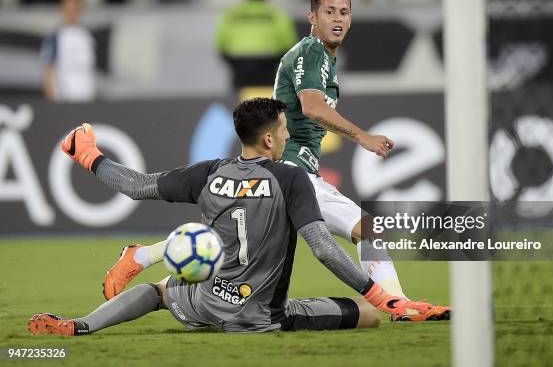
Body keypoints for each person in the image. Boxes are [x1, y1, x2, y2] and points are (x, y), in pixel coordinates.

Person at [28, 99, 449, 336]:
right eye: (284, 131)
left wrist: (88, 155)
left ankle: (80, 325)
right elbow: (322, 248)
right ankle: (389, 305)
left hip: (204, 301)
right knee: (368, 315)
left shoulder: (208, 173)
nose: (287, 136)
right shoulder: (291, 179)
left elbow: (137, 186)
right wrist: (383, 297)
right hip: (260, 317)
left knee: (160, 292)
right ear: (269, 138)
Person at [106, 0, 412, 309]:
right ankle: (400, 304)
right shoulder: (313, 53)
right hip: (294, 171)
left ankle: (142, 255)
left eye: (344, 12)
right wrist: (363, 137)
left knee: (232, 248)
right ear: (312, 16)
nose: (337, 19)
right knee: (368, 230)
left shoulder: (316, 55)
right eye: (329, 11)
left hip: (278, 168)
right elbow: (312, 107)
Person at [216, 0, 298, 95]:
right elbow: (290, 45)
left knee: (239, 99)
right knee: (265, 101)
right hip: (268, 63)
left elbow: (221, 44)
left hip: (239, 62)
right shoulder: (277, 14)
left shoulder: (232, 14)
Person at [41, 0, 96, 102]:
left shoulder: (86, 35)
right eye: (69, 9)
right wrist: (53, 100)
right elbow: (48, 72)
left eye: (75, 9)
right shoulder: (56, 37)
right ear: (62, 9)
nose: (72, 12)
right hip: (66, 98)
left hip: (87, 97)